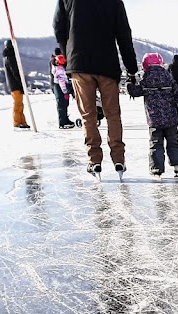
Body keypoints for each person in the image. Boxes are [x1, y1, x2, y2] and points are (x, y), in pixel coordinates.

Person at [53, 0, 138, 179]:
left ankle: (94, 161)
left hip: (79, 62)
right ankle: (118, 159)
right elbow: (123, 33)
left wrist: (67, 53)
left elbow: (58, 26)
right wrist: (131, 68)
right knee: (112, 114)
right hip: (107, 64)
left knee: (88, 116)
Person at [126, 52, 178, 179]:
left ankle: (156, 169)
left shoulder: (146, 81)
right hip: (171, 119)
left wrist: (129, 82)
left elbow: (134, 91)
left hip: (154, 121)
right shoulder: (169, 78)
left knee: (156, 144)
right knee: (173, 143)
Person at [3, 40, 30, 130]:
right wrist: (21, 83)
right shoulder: (10, 57)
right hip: (15, 84)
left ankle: (22, 121)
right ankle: (17, 122)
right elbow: (15, 72)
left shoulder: (8, 56)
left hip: (14, 84)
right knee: (18, 104)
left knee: (20, 104)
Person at [51, 53, 76, 128]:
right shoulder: (60, 70)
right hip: (61, 87)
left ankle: (65, 119)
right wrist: (65, 90)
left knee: (64, 104)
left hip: (60, 86)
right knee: (62, 104)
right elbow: (61, 81)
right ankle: (63, 122)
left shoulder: (56, 68)